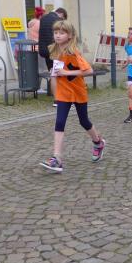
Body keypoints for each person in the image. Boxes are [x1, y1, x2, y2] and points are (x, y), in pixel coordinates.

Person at [39, 20, 105, 172]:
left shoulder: (73, 52)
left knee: (84, 121)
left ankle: (98, 143)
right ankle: (57, 158)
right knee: (59, 122)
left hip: (78, 91)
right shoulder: (55, 51)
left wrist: (66, 72)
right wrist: (55, 91)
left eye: (61, 33)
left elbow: (89, 71)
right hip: (64, 93)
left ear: (69, 35)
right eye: (56, 32)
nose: (58, 35)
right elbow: (56, 76)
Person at [37, 7, 68, 105]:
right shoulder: (58, 20)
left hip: (45, 51)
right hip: (56, 51)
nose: (62, 20)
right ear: (61, 14)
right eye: (63, 18)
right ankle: (61, 98)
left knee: (53, 74)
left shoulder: (43, 19)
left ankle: (56, 99)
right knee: (59, 74)